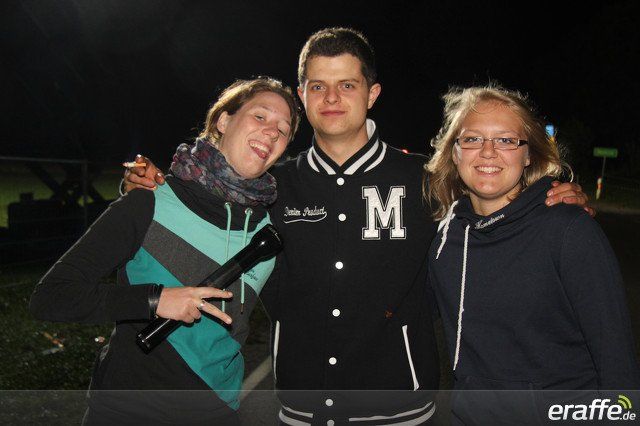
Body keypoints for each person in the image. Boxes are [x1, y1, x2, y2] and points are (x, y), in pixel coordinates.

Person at [124, 29, 591, 425]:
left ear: (372, 94)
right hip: (300, 407)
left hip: (400, 408)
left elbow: (497, 208)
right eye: (318, 86)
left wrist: (549, 201)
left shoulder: (426, 180)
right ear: (302, 95)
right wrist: (154, 189)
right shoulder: (271, 186)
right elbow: (206, 201)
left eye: (347, 85)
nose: (331, 98)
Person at [30, 77, 300, 425]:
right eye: (260, 116)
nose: (272, 132)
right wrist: (155, 300)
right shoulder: (150, 201)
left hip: (218, 413)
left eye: (283, 129)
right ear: (224, 120)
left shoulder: (268, 230)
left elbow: (300, 309)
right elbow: (51, 296)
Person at [425, 85, 640, 424]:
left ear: (528, 156)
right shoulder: (445, 239)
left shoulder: (569, 230)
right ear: (455, 152)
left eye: (506, 140)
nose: (488, 152)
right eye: (473, 139)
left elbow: (617, 362)